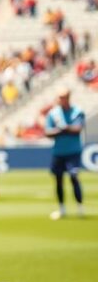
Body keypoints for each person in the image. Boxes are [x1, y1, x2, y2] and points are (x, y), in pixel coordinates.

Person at [45, 88, 86, 220]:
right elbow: (48, 133)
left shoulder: (77, 111)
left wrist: (64, 128)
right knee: (58, 180)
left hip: (73, 151)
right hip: (58, 152)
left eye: (63, 97)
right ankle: (62, 208)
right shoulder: (53, 113)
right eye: (60, 97)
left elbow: (77, 129)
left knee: (74, 177)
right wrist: (63, 130)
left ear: (68, 97)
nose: (61, 100)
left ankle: (80, 207)